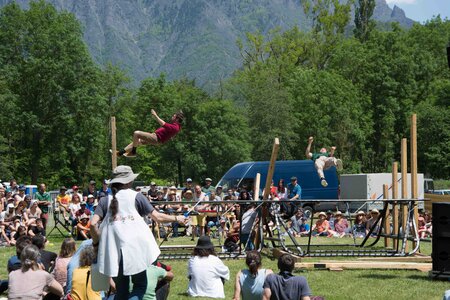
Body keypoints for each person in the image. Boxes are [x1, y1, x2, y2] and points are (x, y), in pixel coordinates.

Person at [90, 165, 186, 299]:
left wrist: (96, 244)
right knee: (140, 286)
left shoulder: (104, 200)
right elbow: (157, 217)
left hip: (114, 251)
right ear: (129, 181)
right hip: (136, 250)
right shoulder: (137, 196)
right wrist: (177, 218)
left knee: (121, 291)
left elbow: (93, 224)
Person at [117, 109, 184, 158]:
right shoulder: (176, 126)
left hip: (156, 138)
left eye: (174, 116)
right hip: (155, 137)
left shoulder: (175, 127)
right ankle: (119, 153)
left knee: (136, 133)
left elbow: (163, 124)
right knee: (137, 141)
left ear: (177, 119)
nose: (172, 117)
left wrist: (155, 115)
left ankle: (133, 152)